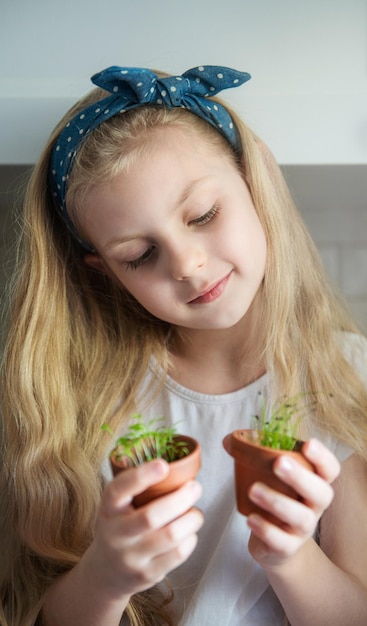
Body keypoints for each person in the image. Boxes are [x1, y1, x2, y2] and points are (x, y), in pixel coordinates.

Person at [0, 64, 367, 626]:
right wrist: (107, 573)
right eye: (139, 257)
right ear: (106, 274)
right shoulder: (84, 407)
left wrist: (290, 556)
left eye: (204, 215)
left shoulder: (349, 381)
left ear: (256, 175)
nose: (188, 265)